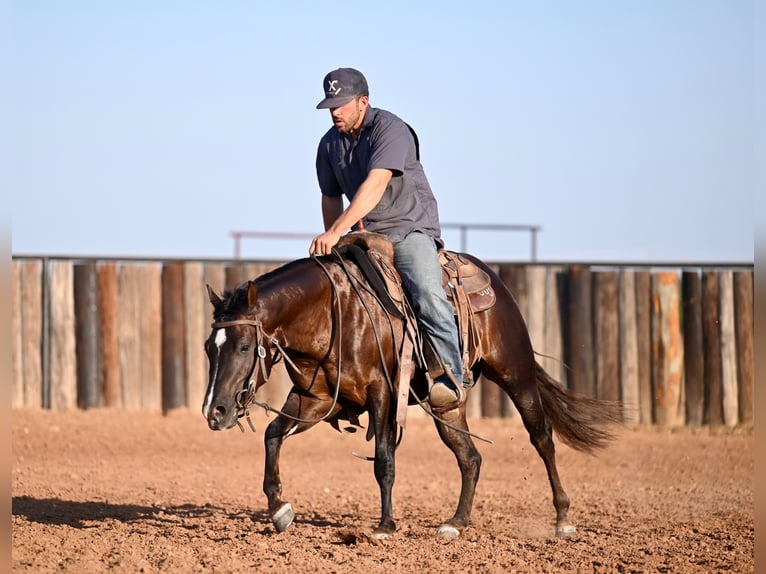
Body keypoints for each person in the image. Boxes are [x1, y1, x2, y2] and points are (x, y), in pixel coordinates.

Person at [309, 67, 465, 411]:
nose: (335, 112)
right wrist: (334, 241)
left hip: (409, 228)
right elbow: (330, 196)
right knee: (334, 291)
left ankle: (450, 377)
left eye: (342, 104)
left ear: (363, 101)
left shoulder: (391, 130)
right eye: (330, 106)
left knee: (426, 289)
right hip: (365, 235)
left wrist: (336, 232)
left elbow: (375, 184)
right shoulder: (329, 144)